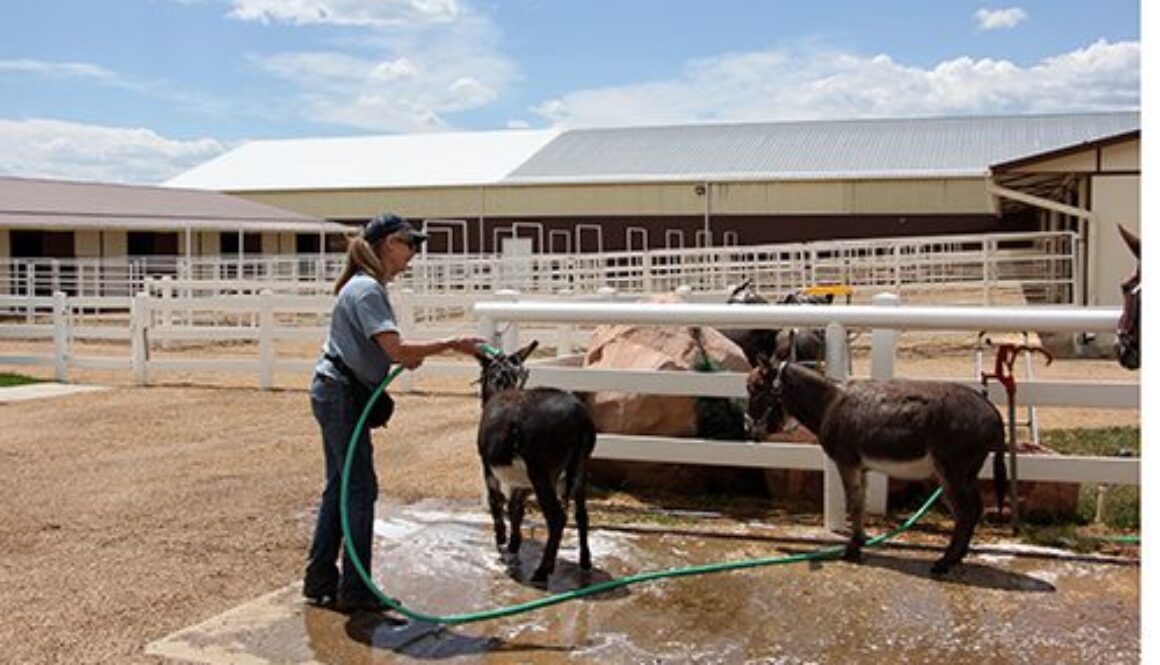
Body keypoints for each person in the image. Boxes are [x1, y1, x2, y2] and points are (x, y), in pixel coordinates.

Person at [304, 213, 485, 613]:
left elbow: (388, 350)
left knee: (341, 486)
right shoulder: (367, 289)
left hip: (336, 390)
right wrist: (454, 342)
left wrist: (406, 354)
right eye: (410, 244)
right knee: (358, 489)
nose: (414, 254)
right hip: (342, 395)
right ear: (389, 244)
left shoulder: (362, 286)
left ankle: (320, 580)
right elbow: (397, 350)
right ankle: (355, 588)